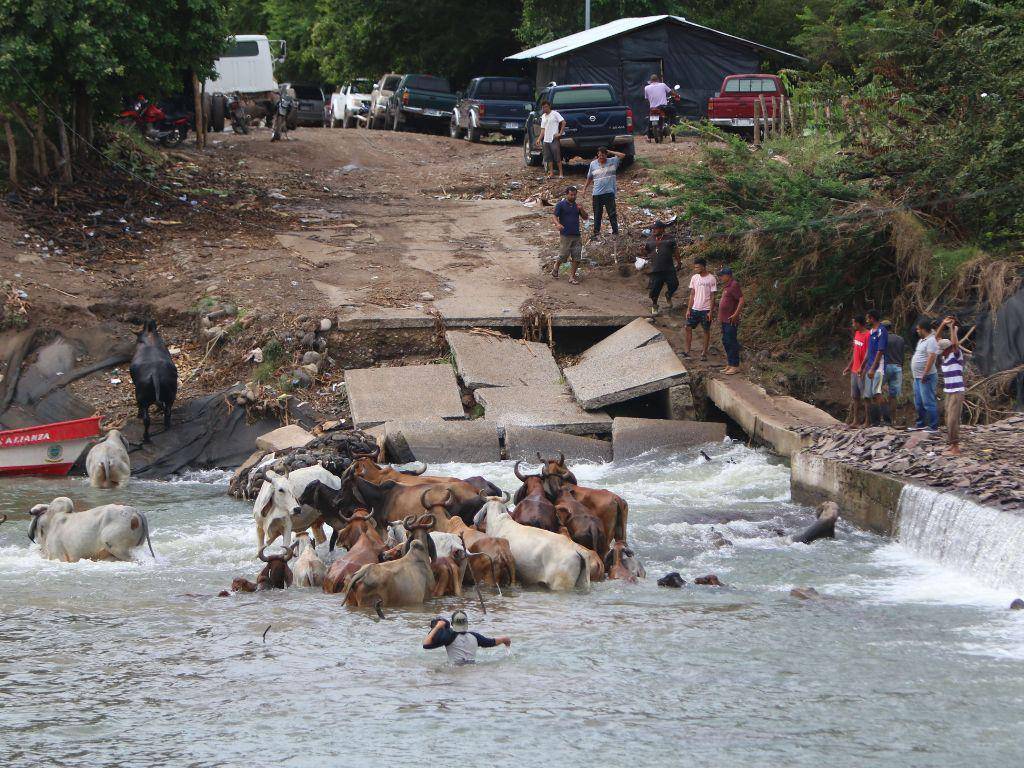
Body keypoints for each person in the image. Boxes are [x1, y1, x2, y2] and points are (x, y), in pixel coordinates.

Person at [422, 610, 510, 665]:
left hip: (455, 670)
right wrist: (504, 639)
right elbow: (491, 642)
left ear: (452, 624)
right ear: (467, 623)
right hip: (472, 668)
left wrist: (437, 627)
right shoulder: (475, 636)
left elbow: (426, 644)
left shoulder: (449, 636)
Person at [936, 316, 965, 454]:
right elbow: (936, 338)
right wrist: (943, 323)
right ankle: (952, 444)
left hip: (957, 390)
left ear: (947, 349)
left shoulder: (955, 356)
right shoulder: (944, 357)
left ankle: (956, 446)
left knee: (953, 419)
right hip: (949, 391)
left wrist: (952, 328)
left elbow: (954, 344)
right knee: (948, 418)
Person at [582, 146, 624, 238]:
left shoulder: (613, 161)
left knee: (612, 213)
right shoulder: (593, 164)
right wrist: (584, 189)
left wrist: (609, 151)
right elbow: (590, 177)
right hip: (597, 194)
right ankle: (596, 233)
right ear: (597, 155)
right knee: (597, 214)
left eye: (603, 155)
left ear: (606, 155)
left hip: (609, 193)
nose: (601, 157)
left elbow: (622, 155)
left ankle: (615, 232)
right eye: (600, 155)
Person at [908, 317, 940, 432]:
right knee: (918, 402)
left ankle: (933, 426)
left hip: (927, 376)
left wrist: (925, 373)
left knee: (928, 401)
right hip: (917, 377)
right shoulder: (922, 340)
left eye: (918, 329)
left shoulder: (931, 340)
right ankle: (920, 424)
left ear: (923, 329)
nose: (917, 331)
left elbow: (932, 357)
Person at [552, 185, 588, 284]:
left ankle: (572, 277)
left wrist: (581, 210)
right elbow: (554, 216)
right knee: (563, 255)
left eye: (574, 195)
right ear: (566, 194)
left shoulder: (577, 206)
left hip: (576, 235)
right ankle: (556, 266)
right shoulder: (561, 204)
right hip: (565, 235)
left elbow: (585, 217)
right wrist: (558, 224)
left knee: (577, 257)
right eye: (571, 195)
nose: (573, 197)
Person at [683, 257, 717, 360]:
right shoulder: (694, 278)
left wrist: (711, 311)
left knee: (706, 330)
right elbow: (692, 294)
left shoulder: (711, 278)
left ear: (703, 266)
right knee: (688, 327)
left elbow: (712, 296)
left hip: (705, 309)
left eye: (697, 267)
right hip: (694, 308)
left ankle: (704, 353)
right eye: (695, 267)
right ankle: (687, 350)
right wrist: (689, 309)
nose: (696, 269)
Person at [644, 221, 679, 316]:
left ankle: (668, 294)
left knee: (674, 284)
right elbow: (646, 251)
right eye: (653, 228)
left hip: (669, 268)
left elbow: (675, 251)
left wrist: (679, 262)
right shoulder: (650, 239)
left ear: (662, 229)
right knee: (655, 289)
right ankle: (654, 305)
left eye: (656, 228)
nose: (654, 230)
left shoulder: (670, 238)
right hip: (656, 270)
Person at [842, 316, 870, 427]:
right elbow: (855, 352)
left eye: (854, 323)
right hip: (854, 369)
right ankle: (855, 420)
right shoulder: (857, 334)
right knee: (855, 396)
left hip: (863, 370)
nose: (853, 325)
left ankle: (868, 421)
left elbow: (868, 353)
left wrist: (862, 367)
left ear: (859, 323)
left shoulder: (868, 335)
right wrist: (849, 366)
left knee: (866, 396)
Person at [862, 309, 889, 426]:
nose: (867, 320)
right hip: (870, 367)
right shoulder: (871, 331)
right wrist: (863, 366)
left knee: (877, 393)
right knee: (869, 395)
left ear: (872, 318)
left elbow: (880, 351)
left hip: (878, 368)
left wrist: (873, 368)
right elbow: (869, 350)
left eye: (868, 318)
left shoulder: (881, 331)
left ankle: (886, 420)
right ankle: (875, 421)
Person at [717, 267, 744, 374]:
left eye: (722, 275)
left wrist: (736, 314)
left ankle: (735, 365)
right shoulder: (727, 286)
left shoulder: (734, 285)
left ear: (728, 275)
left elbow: (741, 300)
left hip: (731, 320)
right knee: (725, 341)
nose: (721, 277)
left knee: (731, 341)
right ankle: (730, 363)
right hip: (724, 319)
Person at [881, 320, 904, 426]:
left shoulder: (882, 339)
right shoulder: (900, 339)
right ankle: (894, 420)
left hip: (885, 367)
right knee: (893, 396)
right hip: (898, 367)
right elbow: (902, 355)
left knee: (878, 392)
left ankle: (884, 419)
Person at [536, 100, 565, 179]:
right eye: (543, 107)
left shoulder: (555, 114)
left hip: (553, 138)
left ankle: (561, 173)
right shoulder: (543, 116)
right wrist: (539, 139)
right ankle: (551, 173)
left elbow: (563, 122)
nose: (544, 109)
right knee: (548, 157)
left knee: (557, 157)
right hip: (546, 139)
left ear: (549, 106)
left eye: (545, 107)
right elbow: (543, 129)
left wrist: (560, 133)